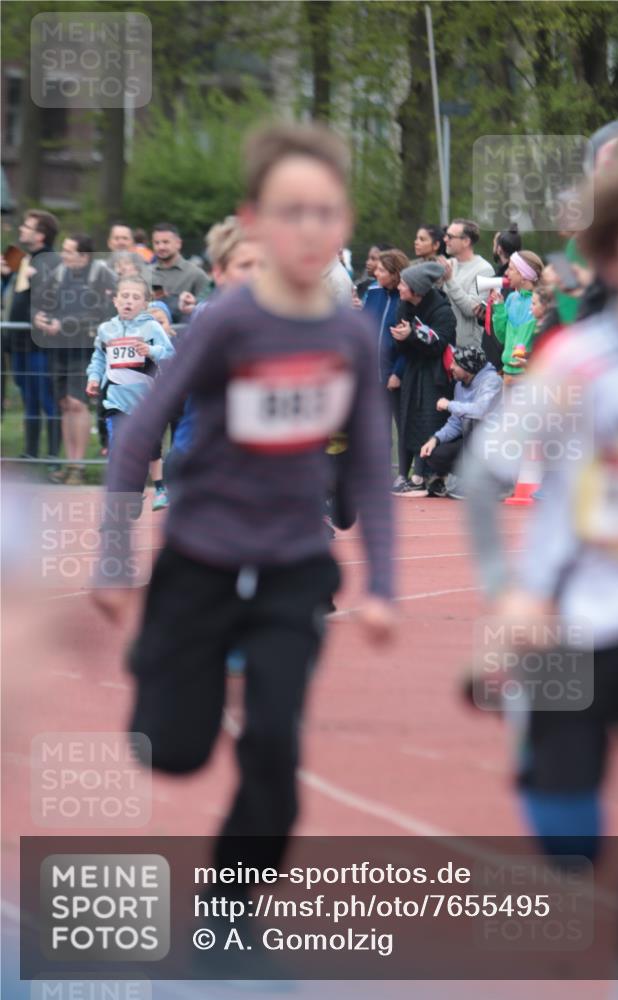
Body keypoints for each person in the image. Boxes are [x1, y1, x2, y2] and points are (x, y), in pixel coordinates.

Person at [92, 124, 394, 960]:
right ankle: (161, 658)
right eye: (290, 212)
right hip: (201, 556)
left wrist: (382, 586)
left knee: (274, 751)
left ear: (343, 225)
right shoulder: (226, 323)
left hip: (295, 563)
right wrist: (114, 557)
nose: (308, 229)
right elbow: (139, 433)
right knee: (177, 750)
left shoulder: (346, 336)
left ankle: (227, 912)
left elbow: (372, 466)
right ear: (255, 221)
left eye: (325, 212)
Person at [463, 122, 618, 1000]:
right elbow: (482, 478)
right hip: (563, 624)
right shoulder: (577, 362)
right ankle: (530, 735)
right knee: (569, 843)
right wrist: (506, 597)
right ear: (615, 251)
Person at [166, 216, 262, 477]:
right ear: (219, 273)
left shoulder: (291, 324)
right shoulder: (209, 319)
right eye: (245, 266)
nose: (256, 275)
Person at [85, 276, 175, 510]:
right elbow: (99, 358)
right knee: (118, 451)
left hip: (146, 404)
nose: (129, 301)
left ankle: (134, 494)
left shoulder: (151, 328)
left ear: (144, 304)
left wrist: (151, 350)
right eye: (124, 296)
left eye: (135, 297)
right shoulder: (106, 330)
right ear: (115, 300)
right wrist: (94, 378)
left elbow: (171, 353)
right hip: (116, 402)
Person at [34, 233, 116, 485]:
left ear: (84, 255)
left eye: (69, 251)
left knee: (77, 403)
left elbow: (103, 311)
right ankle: (70, 464)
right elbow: (40, 300)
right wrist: (39, 317)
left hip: (85, 348)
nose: (63, 255)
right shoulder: (59, 273)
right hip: (59, 347)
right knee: (64, 404)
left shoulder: (101, 274)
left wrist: (65, 323)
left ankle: (78, 468)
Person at [390, 261, 456, 495]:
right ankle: (411, 475)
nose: (399, 287)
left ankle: (426, 475)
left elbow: (439, 345)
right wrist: (401, 338)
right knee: (409, 420)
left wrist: (412, 335)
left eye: (403, 284)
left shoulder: (443, 311)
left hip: (436, 374)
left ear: (416, 289)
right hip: (413, 370)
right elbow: (404, 348)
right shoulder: (404, 306)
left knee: (430, 421)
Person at [1, 209, 61, 459]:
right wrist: (5, 275)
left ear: (40, 235)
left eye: (27, 226)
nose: (21, 229)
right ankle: (31, 452)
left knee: (47, 398)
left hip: (40, 345)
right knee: (28, 398)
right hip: (17, 342)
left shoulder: (51, 261)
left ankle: (53, 457)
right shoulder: (20, 257)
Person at [419, 345, 502, 499]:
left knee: (473, 422)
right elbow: (456, 422)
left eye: (456, 364)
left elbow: (481, 411)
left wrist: (449, 405)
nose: (451, 367)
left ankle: (487, 484)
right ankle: (468, 481)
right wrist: (435, 439)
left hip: (495, 443)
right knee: (434, 454)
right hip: (471, 441)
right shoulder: (459, 385)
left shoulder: (492, 381)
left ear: (468, 367)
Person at [363, 248, 410, 438]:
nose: (376, 273)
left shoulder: (406, 298)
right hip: (371, 374)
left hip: (394, 375)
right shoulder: (373, 292)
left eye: (381, 270)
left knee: (403, 429)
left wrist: (398, 372)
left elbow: (410, 343)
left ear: (395, 274)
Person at [489, 250, 544, 382]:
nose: (506, 272)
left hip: (528, 376)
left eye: (511, 269)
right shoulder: (511, 298)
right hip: (507, 372)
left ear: (524, 276)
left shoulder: (540, 302)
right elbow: (502, 337)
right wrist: (499, 308)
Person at [441, 218, 495, 348]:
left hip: (468, 350)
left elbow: (471, 310)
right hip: (445, 344)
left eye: (450, 236)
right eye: (446, 235)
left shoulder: (484, 270)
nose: (445, 239)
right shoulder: (449, 264)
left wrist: (449, 280)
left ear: (466, 241)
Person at [480, 224, 522, 370]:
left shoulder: (510, 282)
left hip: (500, 354)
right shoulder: (500, 278)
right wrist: (484, 315)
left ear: (499, 249)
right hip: (496, 351)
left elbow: (506, 317)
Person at [151, 222, 210, 322]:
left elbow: (209, 305)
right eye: (157, 243)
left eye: (166, 242)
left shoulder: (195, 274)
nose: (161, 247)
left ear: (178, 243)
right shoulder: (146, 272)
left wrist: (190, 303)